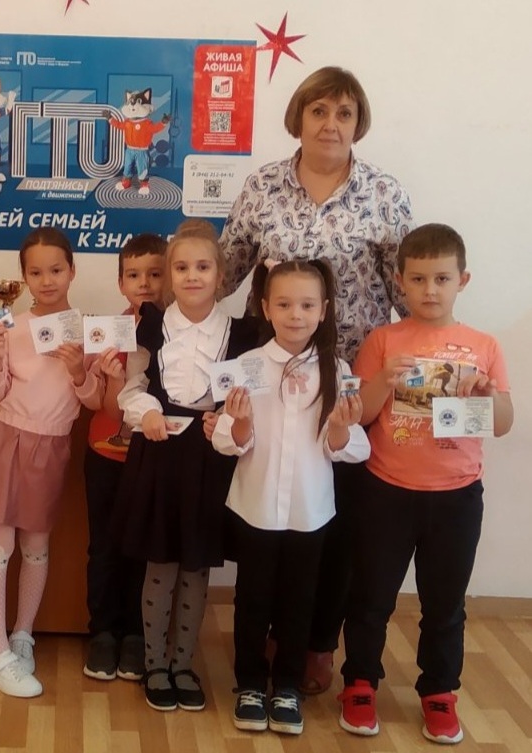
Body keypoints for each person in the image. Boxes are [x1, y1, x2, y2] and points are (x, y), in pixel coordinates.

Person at [219, 66, 415, 694]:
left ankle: (316, 642)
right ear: (299, 117)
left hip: (352, 382)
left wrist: (439, 358)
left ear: (359, 123)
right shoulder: (263, 186)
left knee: (334, 518)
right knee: (272, 510)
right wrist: (157, 316)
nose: (331, 124)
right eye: (320, 111)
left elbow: (408, 293)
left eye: (345, 113)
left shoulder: (383, 194)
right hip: (272, 373)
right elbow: (225, 269)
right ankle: (268, 633)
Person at [338, 224, 513, 745]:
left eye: (441, 278)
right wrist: (382, 381)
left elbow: (503, 423)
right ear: (400, 282)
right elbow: (360, 416)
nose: (430, 290)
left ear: (463, 280)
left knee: (445, 603)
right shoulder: (383, 340)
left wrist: (487, 395)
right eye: (417, 279)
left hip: (457, 495)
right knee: (370, 596)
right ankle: (360, 683)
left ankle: (440, 692)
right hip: (386, 490)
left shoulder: (484, 346)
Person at [207, 260, 370, 735]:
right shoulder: (247, 367)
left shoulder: (337, 371)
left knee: (300, 602)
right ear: (265, 308)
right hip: (256, 506)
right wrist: (240, 423)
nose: (295, 314)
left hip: (309, 511)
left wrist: (339, 428)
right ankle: (249, 684)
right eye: (283, 304)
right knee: (252, 600)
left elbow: (352, 449)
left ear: (324, 310)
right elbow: (228, 442)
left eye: (306, 305)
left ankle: (287, 687)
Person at [110, 225, 257, 712]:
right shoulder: (151, 326)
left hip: (208, 458)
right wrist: (147, 412)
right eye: (181, 267)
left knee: (196, 564)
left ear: (221, 275)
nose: (192, 276)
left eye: (203, 266)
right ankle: (155, 663)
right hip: (159, 452)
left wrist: (227, 419)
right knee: (160, 564)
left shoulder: (243, 333)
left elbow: (246, 400)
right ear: (170, 276)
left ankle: (183, 663)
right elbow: (133, 386)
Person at [0, 227, 103, 698]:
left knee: (36, 546)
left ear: (72, 270)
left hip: (53, 445)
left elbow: (94, 401)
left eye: (56, 270)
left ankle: (22, 634)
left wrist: (78, 369)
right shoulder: (11, 326)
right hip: (7, 438)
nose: (46, 280)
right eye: (35, 272)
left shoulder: (88, 330)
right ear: (23, 277)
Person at [83, 233, 166, 682]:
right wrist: (112, 379)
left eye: (155, 273)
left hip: (153, 456)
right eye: (134, 275)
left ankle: (137, 633)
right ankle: (102, 631)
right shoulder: (107, 332)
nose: (145, 283)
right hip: (105, 453)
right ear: (120, 283)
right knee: (104, 547)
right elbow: (107, 409)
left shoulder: (178, 332)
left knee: (143, 550)